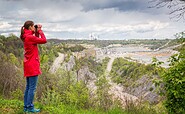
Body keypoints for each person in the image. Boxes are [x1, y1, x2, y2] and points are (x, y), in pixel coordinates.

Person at [20, 20, 47, 113]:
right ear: (30, 27)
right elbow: (44, 40)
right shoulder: (29, 37)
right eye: (33, 26)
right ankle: (30, 107)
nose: (34, 27)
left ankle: (26, 107)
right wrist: (40, 31)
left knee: (28, 87)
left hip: (28, 64)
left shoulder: (26, 36)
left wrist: (36, 31)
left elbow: (35, 39)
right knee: (32, 87)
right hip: (32, 65)